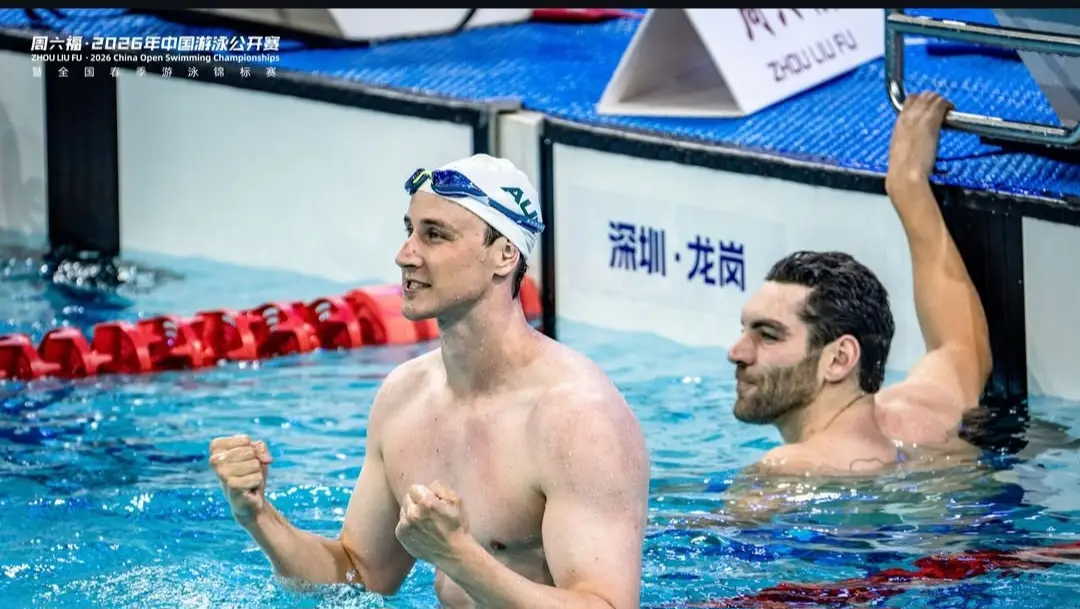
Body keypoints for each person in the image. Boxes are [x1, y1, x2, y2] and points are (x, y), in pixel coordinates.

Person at [209, 154, 650, 609]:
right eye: (410, 231)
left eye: (435, 235)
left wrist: (459, 558)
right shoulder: (405, 396)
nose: (405, 255)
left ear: (503, 255)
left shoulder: (578, 418)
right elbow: (359, 574)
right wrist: (258, 515)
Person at [726, 91, 992, 476]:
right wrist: (906, 185)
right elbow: (961, 346)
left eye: (768, 335)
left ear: (840, 359)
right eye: (745, 330)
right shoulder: (926, 417)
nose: (737, 352)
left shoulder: (787, 469)